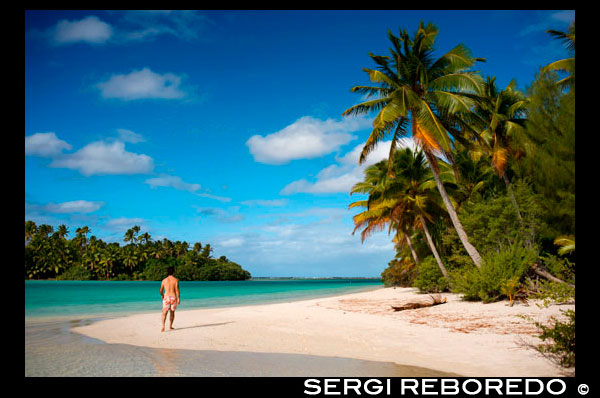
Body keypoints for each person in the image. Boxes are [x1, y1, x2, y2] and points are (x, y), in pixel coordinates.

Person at [160, 266, 180, 332]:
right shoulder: (176, 280)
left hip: (166, 297)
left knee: (164, 313)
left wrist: (162, 295)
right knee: (172, 312)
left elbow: (161, 290)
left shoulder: (164, 280)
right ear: (173, 272)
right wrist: (179, 298)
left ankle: (163, 326)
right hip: (173, 297)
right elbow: (177, 290)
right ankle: (170, 326)